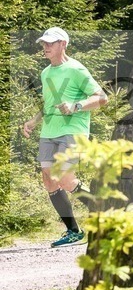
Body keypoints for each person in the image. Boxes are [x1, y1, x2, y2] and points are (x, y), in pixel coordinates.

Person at [22, 27, 109, 247]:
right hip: (49, 131)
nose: (46, 47)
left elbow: (101, 98)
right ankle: (73, 231)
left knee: (64, 177)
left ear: (63, 44)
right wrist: (34, 120)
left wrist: (76, 105)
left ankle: (106, 212)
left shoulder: (76, 69)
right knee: (49, 179)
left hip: (73, 130)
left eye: (51, 43)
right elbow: (50, 105)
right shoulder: (46, 73)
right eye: (44, 43)